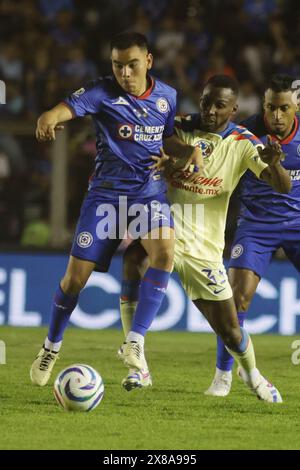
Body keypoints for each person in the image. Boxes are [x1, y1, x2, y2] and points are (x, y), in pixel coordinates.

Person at [30, 31, 203, 386]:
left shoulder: (167, 96)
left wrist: (187, 150)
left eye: (132, 65)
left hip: (148, 194)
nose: (124, 73)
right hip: (105, 197)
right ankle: (51, 346)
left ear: (148, 61)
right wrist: (48, 116)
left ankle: (135, 342)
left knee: (165, 252)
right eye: (118, 65)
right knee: (74, 279)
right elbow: (65, 108)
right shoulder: (101, 91)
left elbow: (166, 134)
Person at [119, 74, 291, 403]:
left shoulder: (243, 142)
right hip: (164, 232)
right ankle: (136, 354)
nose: (210, 111)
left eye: (219, 105)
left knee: (230, 332)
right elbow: (152, 147)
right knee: (133, 258)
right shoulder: (179, 127)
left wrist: (276, 165)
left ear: (234, 109)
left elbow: (280, 186)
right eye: (206, 102)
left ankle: (253, 375)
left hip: (205, 250)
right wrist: (168, 163)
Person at [206, 74, 300, 396]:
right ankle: (223, 375)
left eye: (283, 108)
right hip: (256, 225)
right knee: (235, 298)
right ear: (263, 104)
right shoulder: (245, 132)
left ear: (295, 106)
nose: (276, 116)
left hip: (298, 222)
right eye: (271, 107)